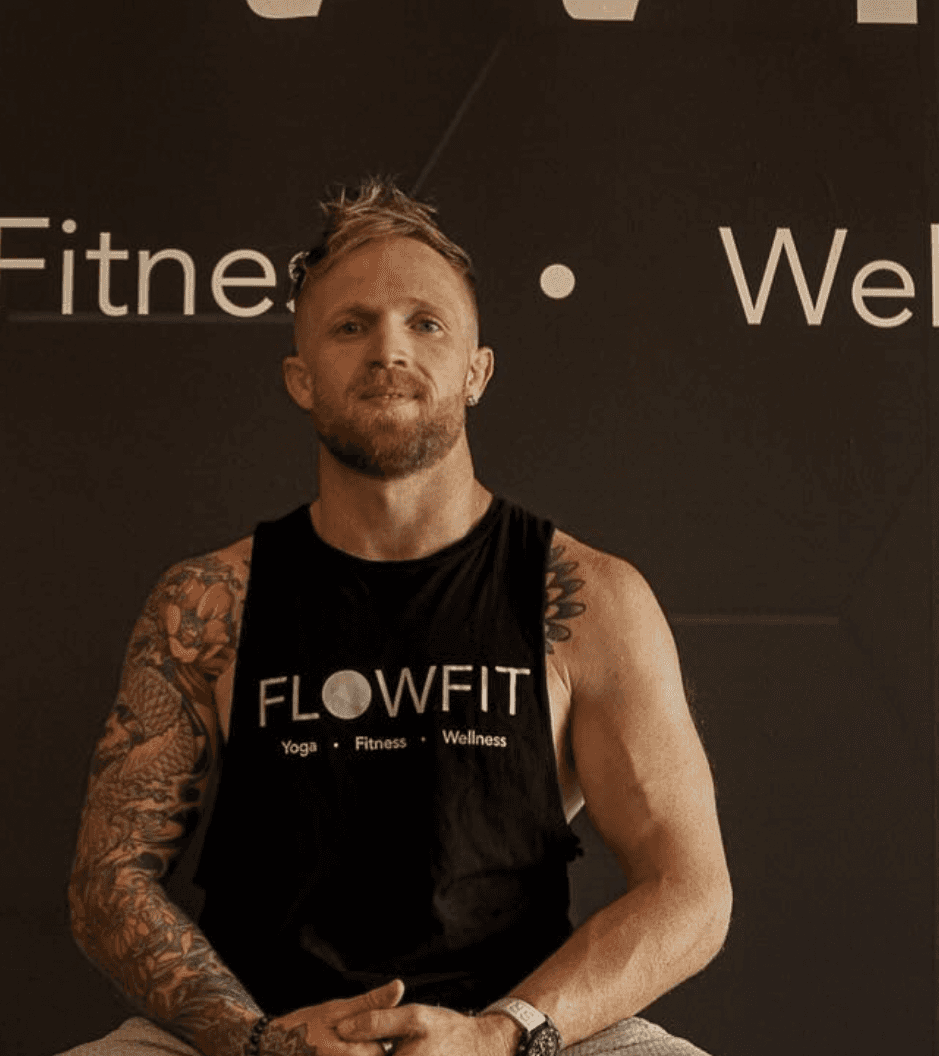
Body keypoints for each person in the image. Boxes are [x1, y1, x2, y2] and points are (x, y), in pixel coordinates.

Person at [60, 178, 732, 1056]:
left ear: (476, 371)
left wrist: (502, 1033)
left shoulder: (588, 598)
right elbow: (107, 883)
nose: (389, 349)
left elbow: (691, 890)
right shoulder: (207, 602)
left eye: (427, 323)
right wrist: (255, 1039)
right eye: (351, 326)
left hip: (513, 1033)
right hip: (256, 1033)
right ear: (301, 379)